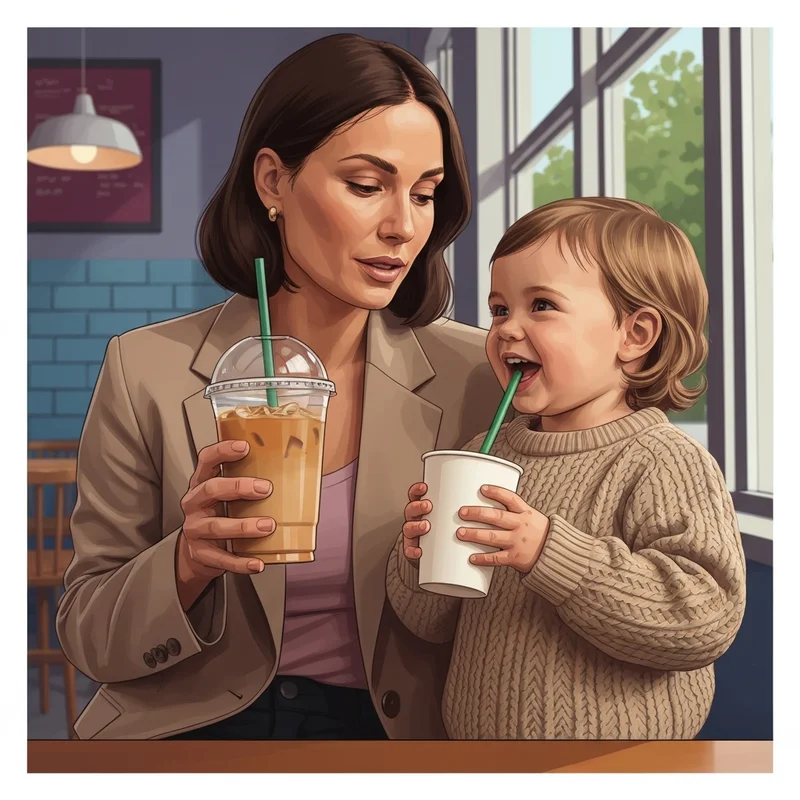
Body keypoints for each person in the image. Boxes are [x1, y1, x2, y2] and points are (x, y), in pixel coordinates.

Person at [56, 33, 505, 741]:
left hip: (389, 738)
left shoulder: (478, 373)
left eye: (424, 194)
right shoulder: (145, 368)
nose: (402, 226)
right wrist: (184, 563)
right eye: (367, 186)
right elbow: (88, 634)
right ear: (273, 182)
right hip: (188, 729)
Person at [388, 197, 747, 740]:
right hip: (479, 766)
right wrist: (419, 555)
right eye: (500, 309)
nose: (507, 329)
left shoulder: (663, 460)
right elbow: (427, 624)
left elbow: (704, 619)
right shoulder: (486, 453)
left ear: (635, 335)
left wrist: (548, 552)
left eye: (542, 305)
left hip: (622, 769)